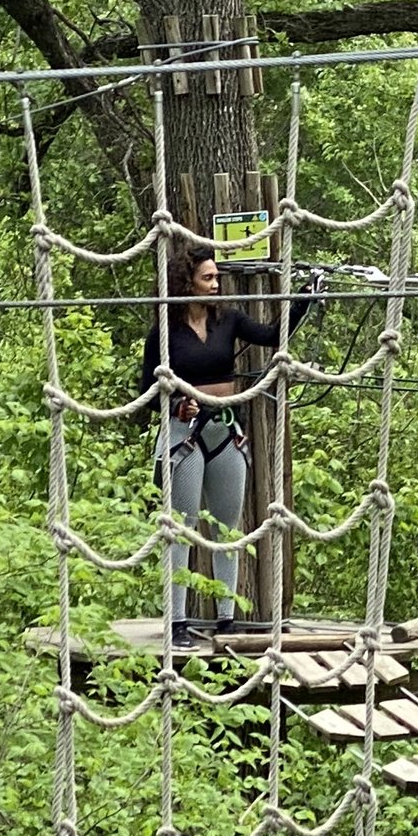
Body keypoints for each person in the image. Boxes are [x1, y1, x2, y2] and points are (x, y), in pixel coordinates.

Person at [139, 241, 319, 648]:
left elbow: (274, 335)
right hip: (184, 433)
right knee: (180, 528)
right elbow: (146, 391)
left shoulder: (229, 321)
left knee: (227, 527)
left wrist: (305, 299)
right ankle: (178, 622)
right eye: (208, 278)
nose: (217, 284)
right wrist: (173, 404)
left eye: (217, 277)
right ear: (187, 283)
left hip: (224, 428)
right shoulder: (164, 335)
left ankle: (226, 619)